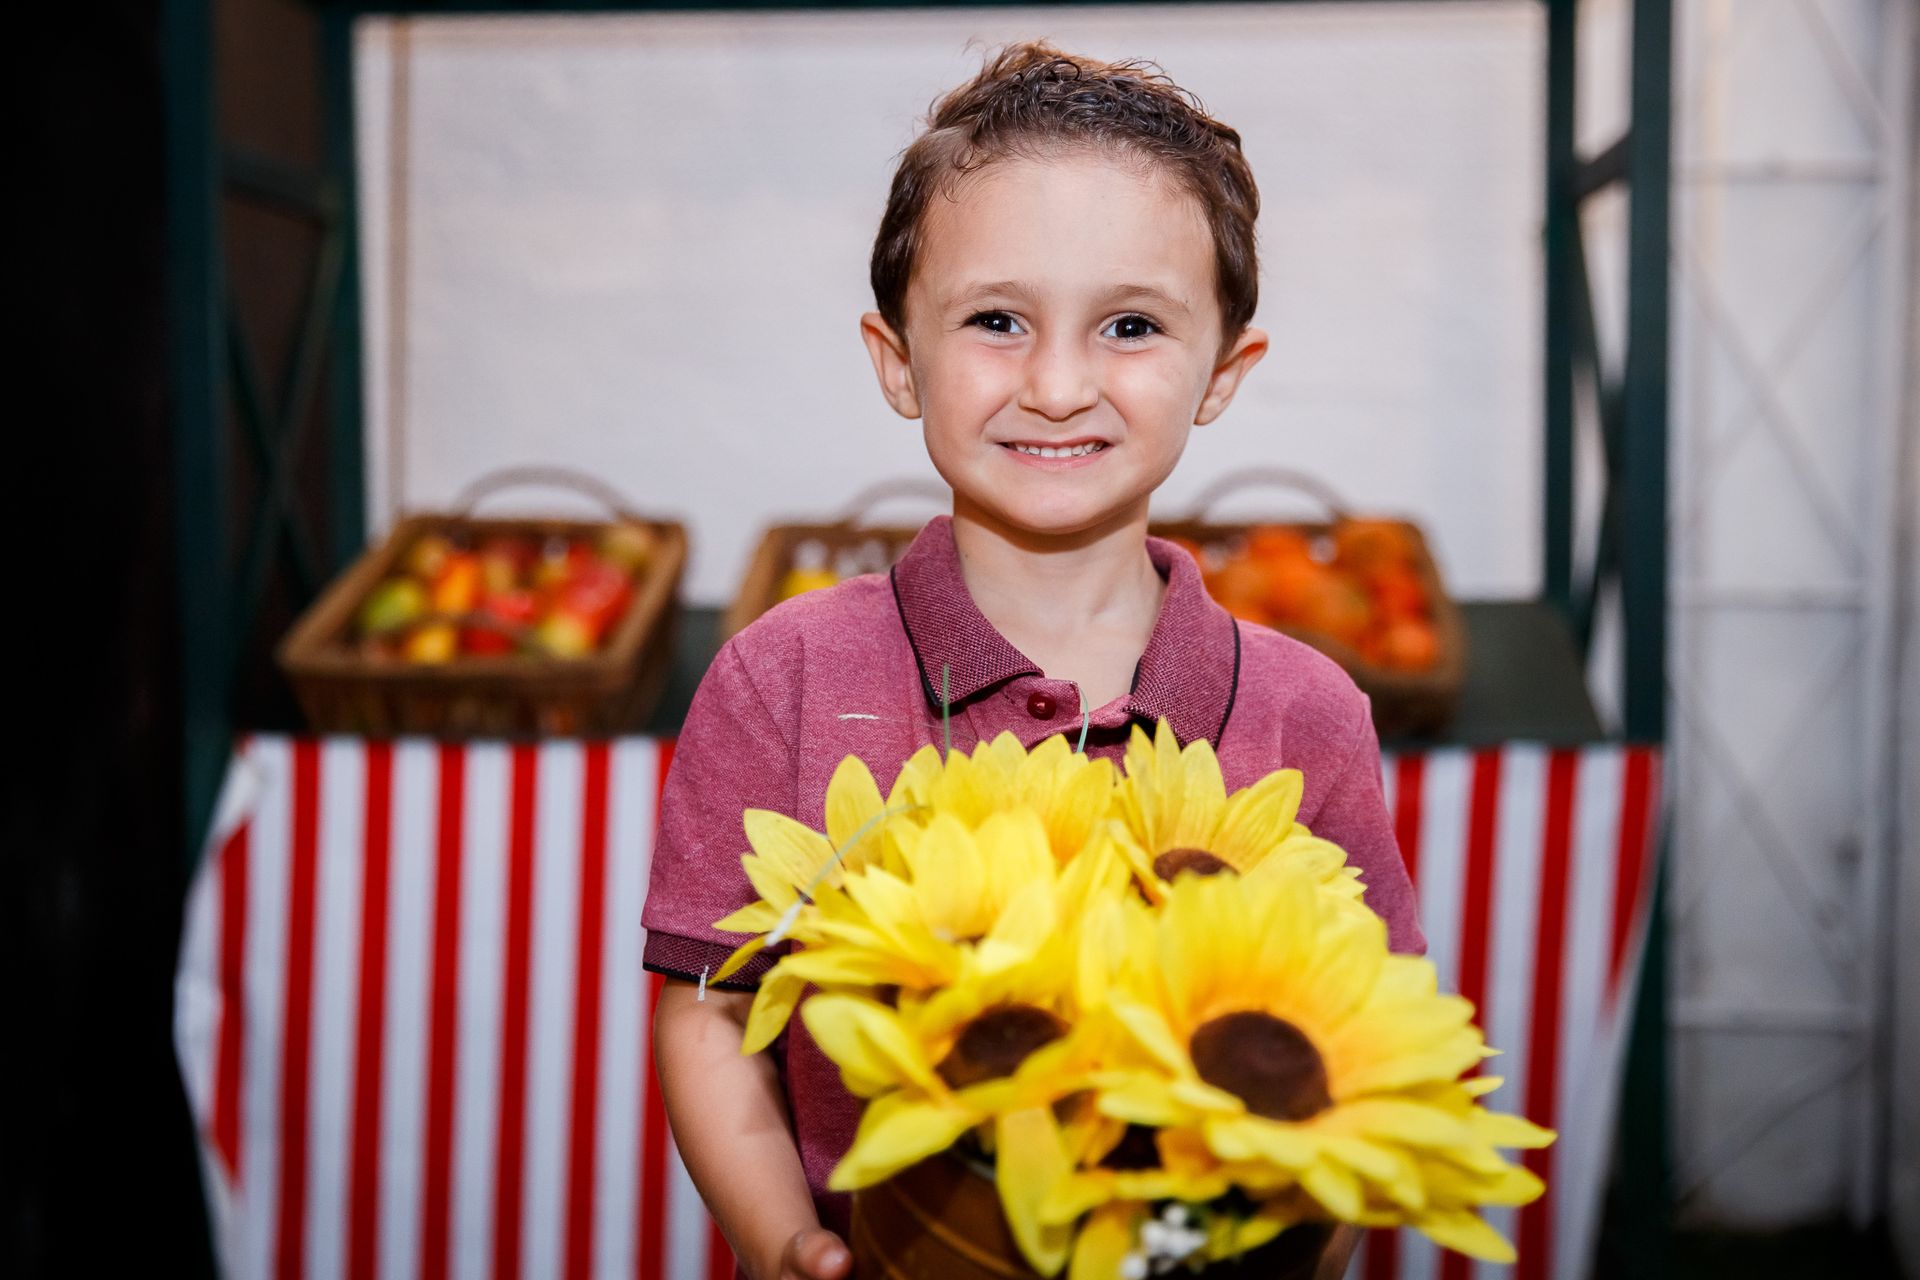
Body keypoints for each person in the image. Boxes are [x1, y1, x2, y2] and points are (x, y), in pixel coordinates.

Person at [642, 41, 1425, 1280]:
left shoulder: (1305, 709)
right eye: (997, 320)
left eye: (1130, 325)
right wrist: (781, 1236)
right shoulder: (776, 678)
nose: (1057, 385)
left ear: (1224, 371)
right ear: (899, 356)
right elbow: (711, 1012)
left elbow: (1360, 1052)